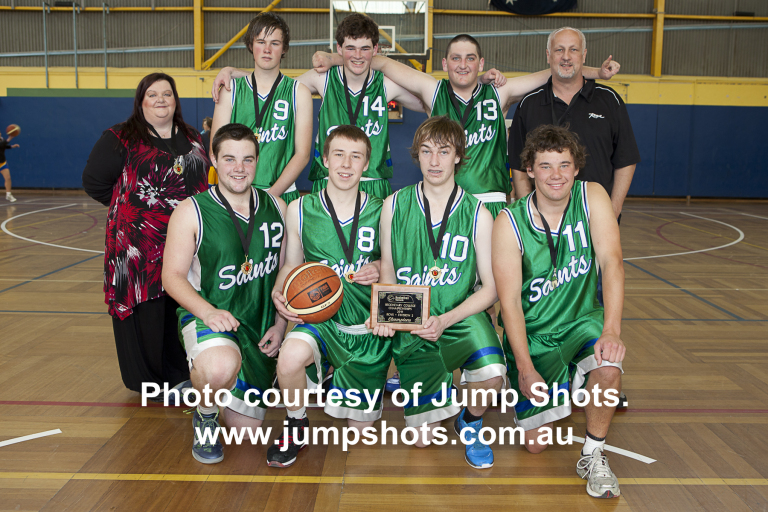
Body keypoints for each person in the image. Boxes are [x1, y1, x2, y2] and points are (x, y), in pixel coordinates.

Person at [313, 33, 620, 218]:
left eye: (470, 58)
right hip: (443, 198)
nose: (463, 64)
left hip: (490, 199)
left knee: (492, 281)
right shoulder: (434, 91)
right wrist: (331, 57)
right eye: (456, 58)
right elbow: (378, 61)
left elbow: (554, 72)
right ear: (445, 64)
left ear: (481, 64)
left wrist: (596, 73)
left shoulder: (500, 92)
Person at [493, 124, 625, 498]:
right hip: (535, 334)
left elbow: (612, 262)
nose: (556, 175)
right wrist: (524, 366)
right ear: (529, 170)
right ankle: (561, 382)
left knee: (609, 366)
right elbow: (510, 304)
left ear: (576, 168)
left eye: (564, 165)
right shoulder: (509, 222)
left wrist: (611, 330)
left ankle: (593, 454)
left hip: (582, 322)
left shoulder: (593, 197)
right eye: (546, 166)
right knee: (535, 444)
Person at [375, 116, 504, 469]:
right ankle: (434, 384)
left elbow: (491, 289)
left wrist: (445, 319)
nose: (434, 161)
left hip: (459, 318)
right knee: (422, 440)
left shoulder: (478, 212)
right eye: (427, 151)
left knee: (493, 375)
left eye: (444, 151)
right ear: (416, 155)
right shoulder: (394, 205)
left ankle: (471, 419)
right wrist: (388, 317)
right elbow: (387, 272)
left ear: (458, 156)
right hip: (415, 327)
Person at [162, 123, 288, 464]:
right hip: (210, 315)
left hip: (259, 325)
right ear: (214, 160)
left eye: (248, 160)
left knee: (244, 434)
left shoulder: (277, 207)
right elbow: (171, 277)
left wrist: (280, 326)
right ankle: (205, 411)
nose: (239, 168)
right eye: (229, 159)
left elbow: (288, 275)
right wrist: (207, 312)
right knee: (218, 367)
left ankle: (220, 383)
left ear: (258, 162)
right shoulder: (191, 211)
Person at [82, 73, 209, 397]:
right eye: (153, 94)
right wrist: (133, 212)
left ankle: (181, 373)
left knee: (177, 305)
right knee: (145, 312)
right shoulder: (121, 137)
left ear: (176, 100)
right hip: (136, 248)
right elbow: (94, 181)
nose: (161, 100)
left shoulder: (194, 138)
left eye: (167, 93)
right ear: (141, 101)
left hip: (184, 243)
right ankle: (150, 382)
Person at [266, 125, 386, 467]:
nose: (346, 164)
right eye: (339, 155)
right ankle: (295, 422)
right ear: (324, 160)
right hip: (322, 319)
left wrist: (379, 264)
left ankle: (336, 376)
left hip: (366, 327)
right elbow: (290, 266)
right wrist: (279, 293)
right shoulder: (300, 210)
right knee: (289, 358)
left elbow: (396, 265)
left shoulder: (384, 210)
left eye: (356, 156)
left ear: (367, 165)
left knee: (360, 439)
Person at [213, 13, 425, 199]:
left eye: (365, 49)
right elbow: (275, 84)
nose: (358, 55)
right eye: (350, 48)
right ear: (340, 48)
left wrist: (384, 63)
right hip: (328, 181)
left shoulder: (386, 84)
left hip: (373, 182)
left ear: (376, 49)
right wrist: (234, 72)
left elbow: (427, 99)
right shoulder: (321, 79)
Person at [509, 27, 640, 217]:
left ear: (584, 55)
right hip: (543, 221)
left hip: (597, 217)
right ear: (548, 55)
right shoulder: (529, 104)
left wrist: (613, 210)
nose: (566, 56)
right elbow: (519, 166)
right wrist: (530, 215)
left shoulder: (609, 101)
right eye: (559, 50)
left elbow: (626, 160)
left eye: (573, 49)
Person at [210, 13, 312, 205]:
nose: (267, 49)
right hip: (236, 193)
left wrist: (269, 197)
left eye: (275, 43)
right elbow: (215, 149)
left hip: (282, 195)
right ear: (250, 45)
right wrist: (240, 191)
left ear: (284, 49)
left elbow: (302, 154)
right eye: (261, 42)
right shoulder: (230, 91)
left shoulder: (299, 93)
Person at [0, 132, 20, 202]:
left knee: (8, 178)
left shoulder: (2, 139)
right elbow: (1, 145)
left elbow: (3, 146)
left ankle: (8, 194)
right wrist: (9, 138)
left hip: (2, 163)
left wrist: (11, 146)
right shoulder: (3, 141)